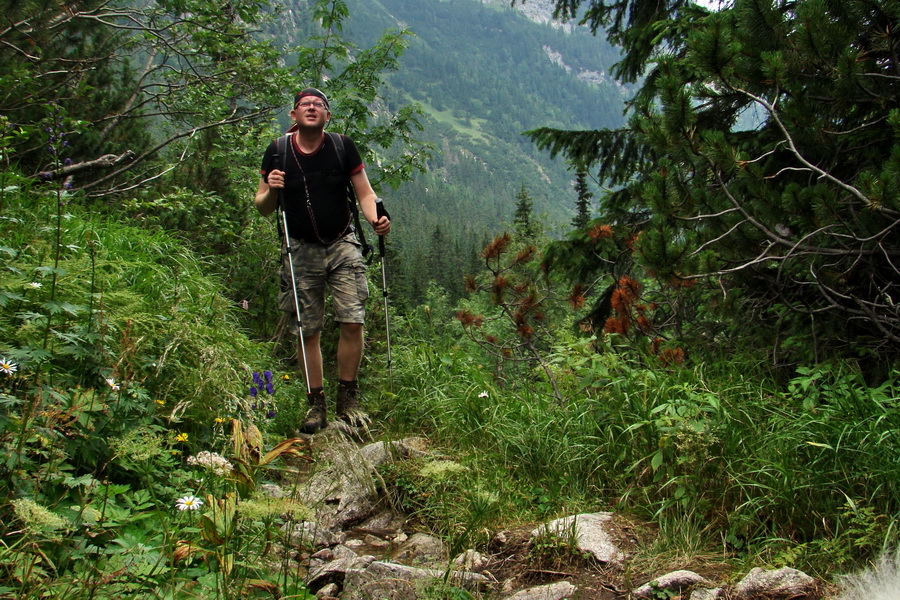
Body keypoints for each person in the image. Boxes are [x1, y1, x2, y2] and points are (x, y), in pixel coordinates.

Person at [255, 87, 390, 434]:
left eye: (319, 105)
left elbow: (364, 192)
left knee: (352, 318)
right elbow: (263, 207)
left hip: (342, 240)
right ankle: (316, 403)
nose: (312, 109)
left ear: (328, 116)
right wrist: (272, 188)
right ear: (294, 115)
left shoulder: (342, 147)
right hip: (300, 248)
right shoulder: (278, 152)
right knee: (307, 330)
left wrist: (377, 219)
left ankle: (348, 397)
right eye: (305, 105)